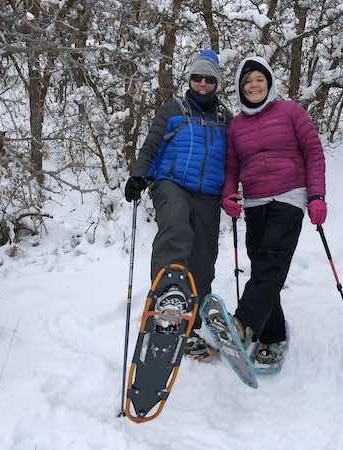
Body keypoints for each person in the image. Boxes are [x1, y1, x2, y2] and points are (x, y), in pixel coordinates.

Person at [124, 49, 231, 359]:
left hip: (209, 194)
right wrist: (139, 176)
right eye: (196, 77)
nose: (201, 83)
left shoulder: (226, 118)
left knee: (203, 258)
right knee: (175, 222)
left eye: (208, 79)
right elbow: (151, 146)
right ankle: (168, 296)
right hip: (172, 182)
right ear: (189, 79)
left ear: (216, 83)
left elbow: (238, 157)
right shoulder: (173, 110)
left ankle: (191, 323)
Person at [221, 56, 327, 366]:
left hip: (289, 197)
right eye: (247, 81)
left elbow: (313, 153)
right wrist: (229, 194)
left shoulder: (290, 111)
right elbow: (232, 166)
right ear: (241, 89)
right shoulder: (236, 125)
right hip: (254, 203)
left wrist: (316, 195)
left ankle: (241, 324)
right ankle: (273, 334)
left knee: (269, 261)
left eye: (259, 79)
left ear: (269, 82)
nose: (253, 85)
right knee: (265, 269)